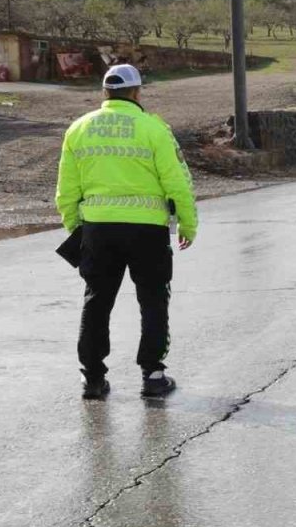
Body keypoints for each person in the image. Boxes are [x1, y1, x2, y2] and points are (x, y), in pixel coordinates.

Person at [56, 64, 198, 399]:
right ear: (137, 92)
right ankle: (152, 374)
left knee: (97, 300)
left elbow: (66, 190)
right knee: (152, 299)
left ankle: (92, 378)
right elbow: (176, 182)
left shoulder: (78, 129)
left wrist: (76, 227)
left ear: (105, 92)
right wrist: (188, 224)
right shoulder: (153, 129)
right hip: (148, 231)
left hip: (98, 230)